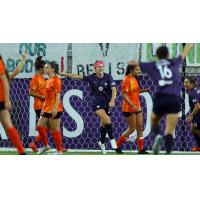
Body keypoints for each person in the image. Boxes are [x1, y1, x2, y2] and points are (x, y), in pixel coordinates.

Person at [132, 43, 193, 154]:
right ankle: (168, 151)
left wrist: (134, 62)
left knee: (153, 120)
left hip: (160, 97)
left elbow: (134, 63)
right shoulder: (174, 61)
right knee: (170, 128)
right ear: (168, 54)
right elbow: (185, 52)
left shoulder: (153, 64)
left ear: (157, 55)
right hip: (174, 98)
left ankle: (157, 135)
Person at [60, 60, 118, 155]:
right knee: (107, 120)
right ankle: (112, 139)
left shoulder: (108, 77)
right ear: (95, 69)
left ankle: (102, 143)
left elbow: (114, 90)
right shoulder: (92, 77)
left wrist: (112, 100)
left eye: (102, 67)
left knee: (103, 124)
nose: (101, 68)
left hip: (107, 103)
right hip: (96, 103)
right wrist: (63, 74)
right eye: (99, 67)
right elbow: (76, 76)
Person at [116, 63, 149, 154]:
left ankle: (140, 149)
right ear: (131, 70)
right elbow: (123, 94)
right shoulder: (126, 79)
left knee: (139, 128)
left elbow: (135, 92)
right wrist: (132, 105)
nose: (139, 71)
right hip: (128, 108)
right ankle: (117, 145)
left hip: (137, 107)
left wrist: (144, 90)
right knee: (131, 129)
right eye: (137, 70)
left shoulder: (135, 78)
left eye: (139, 70)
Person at [36, 62, 64, 154]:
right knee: (39, 127)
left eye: (47, 67)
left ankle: (59, 151)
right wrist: (43, 107)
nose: (45, 69)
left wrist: (55, 109)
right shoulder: (48, 80)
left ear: (53, 70)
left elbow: (58, 95)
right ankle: (46, 146)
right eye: (45, 68)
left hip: (55, 109)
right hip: (46, 108)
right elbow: (47, 97)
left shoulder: (56, 80)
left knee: (54, 130)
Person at [0, 55, 25, 155]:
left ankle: (21, 151)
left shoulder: (3, 73)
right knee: (8, 124)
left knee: (8, 124)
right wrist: (23, 60)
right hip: (2, 101)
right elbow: (17, 71)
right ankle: (21, 151)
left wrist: (7, 100)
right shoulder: (5, 73)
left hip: (2, 100)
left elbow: (7, 79)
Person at [29, 56, 49, 153]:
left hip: (44, 106)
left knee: (46, 127)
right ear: (40, 68)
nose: (46, 69)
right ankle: (42, 145)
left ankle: (35, 144)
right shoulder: (35, 78)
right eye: (45, 68)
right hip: (39, 106)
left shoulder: (42, 78)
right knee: (45, 127)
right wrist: (41, 97)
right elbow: (31, 93)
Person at [184, 77, 200, 151]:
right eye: (184, 82)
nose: (185, 84)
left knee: (197, 130)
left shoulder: (193, 93)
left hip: (198, 114)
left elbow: (198, 106)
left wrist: (191, 115)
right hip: (196, 114)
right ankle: (199, 146)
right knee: (192, 130)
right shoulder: (191, 92)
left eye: (187, 82)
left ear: (192, 84)